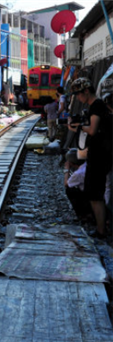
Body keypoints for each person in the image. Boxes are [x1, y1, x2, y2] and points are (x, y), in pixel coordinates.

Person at [68, 77, 113, 238]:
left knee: (95, 194)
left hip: (100, 156)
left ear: (86, 91)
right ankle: (101, 227)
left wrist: (79, 126)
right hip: (99, 155)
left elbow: (92, 130)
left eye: (79, 94)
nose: (78, 98)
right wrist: (77, 128)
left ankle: (101, 230)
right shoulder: (97, 106)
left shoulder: (96, 106)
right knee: (94, 193)